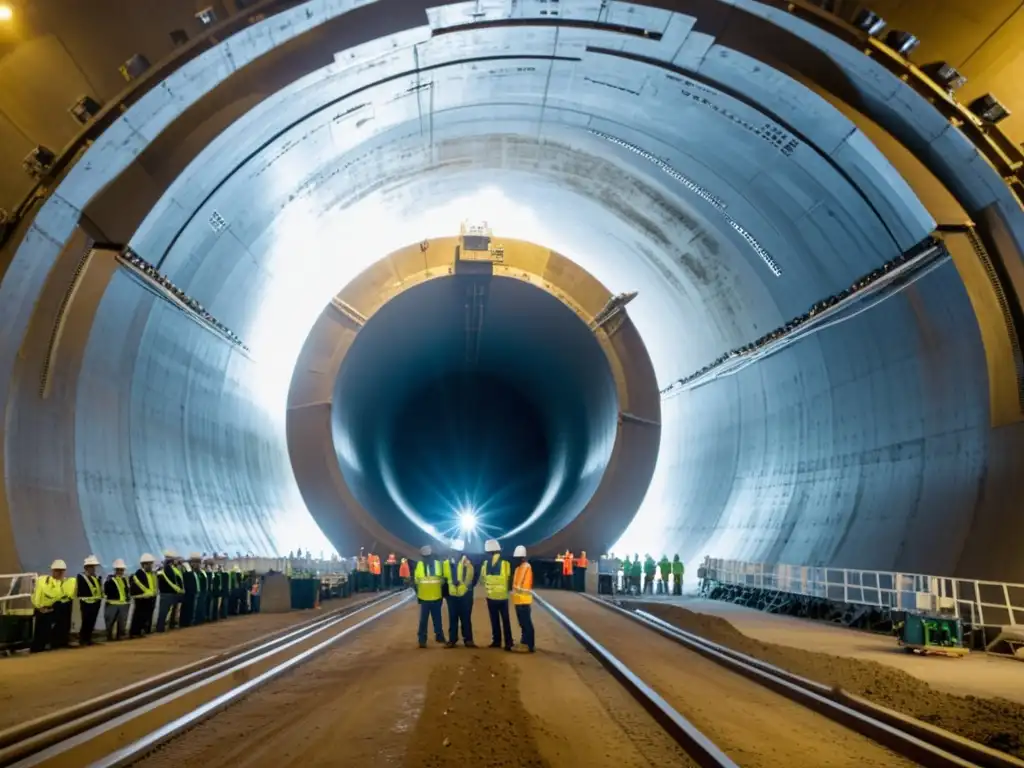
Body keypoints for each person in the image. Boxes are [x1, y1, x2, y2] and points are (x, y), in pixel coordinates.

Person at [480, 539, 513, 651]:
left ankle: (496, 641)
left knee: (494, 621)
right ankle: (508, 643)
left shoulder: (485, 564)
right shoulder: (505, 563)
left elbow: (483, 579)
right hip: (503, 597)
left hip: (491, 597)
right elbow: (508, 577)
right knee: (506, 621)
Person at [30, 560, 68, 653]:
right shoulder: (43, 580)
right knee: (40, 631)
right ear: (53, 571)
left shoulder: (62, 582)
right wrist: (39, 607)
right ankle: (37, 649)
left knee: (48, 629)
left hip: (51, 609)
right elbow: (37, 594)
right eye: (57, 571)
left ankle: (47, 646)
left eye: (61, 571)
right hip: (42, 609)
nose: (60, 573)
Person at [442, 541, 475, 648]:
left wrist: (464, 587)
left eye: (455, 551)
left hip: (464, 594)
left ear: (460, 552)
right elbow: (445, 577)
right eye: (453, 550)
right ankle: (452, 639)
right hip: (452, 595)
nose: (454, 553)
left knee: (465, 618)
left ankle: (468, 640)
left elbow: (470, 576)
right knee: (453, 618)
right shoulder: (447, 563)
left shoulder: (466, 562)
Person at [414, 545, 445, 648]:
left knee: (423, 620)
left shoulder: (419, 565)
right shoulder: (438, 564)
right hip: (436, 595)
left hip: (424, 597)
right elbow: (442, 579)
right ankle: (439, 637)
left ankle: (422, 640)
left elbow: (416, 581)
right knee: (437, 618)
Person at [511, 546, 535, 653]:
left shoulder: (526, 567)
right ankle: (523, 642)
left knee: (526, 624)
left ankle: (529, 645)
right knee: (522, 624)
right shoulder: (518, 568)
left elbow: (522, 585)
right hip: (518, 600)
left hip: (524, 601)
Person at [76, 555, 103, 646]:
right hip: (86, 602)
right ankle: (83, 639)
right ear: (86, 567)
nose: (93, 568)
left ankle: (88, 638)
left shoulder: (96, 577)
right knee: (86, 621)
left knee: (92, 621)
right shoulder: (81, 576)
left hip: (95, 602)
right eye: (91, 566)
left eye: (94, 567)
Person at [130, 553, 158, 637]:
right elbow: (139, 585)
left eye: (151, 564)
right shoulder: (139, 574)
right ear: (143, 565)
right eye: (148, 564)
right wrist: (148, 593)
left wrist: (153, 593)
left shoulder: (151, 574)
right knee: (138, 615)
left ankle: (141, 630)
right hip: (141, 598)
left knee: (145, 616)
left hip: (149, 598)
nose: (150, 566)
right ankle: (134, 632)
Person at [156, 550, 185, 632]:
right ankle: (160, 627)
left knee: (167, 611)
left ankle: (165, 626)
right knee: (164, 611)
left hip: (171, 593)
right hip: (167, 593)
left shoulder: (170, 568)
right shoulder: (165, 568)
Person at [104, 559, 131, 641]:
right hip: (112, 604)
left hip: (123, 604)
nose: (121, 571)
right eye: (119, 570)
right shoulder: (109, 580)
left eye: (122, 570)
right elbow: (106, 591)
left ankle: (119, 637)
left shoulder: (125, 579)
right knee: (110, 622)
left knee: (122, 622)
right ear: (115, 570)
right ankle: (109, 637)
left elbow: (127, 590)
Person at [180, 553, 204, 627]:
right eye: (196, 562)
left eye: (198, 563)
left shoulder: (195, 573)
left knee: (192, 608)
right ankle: (185, 622)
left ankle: (190, 621)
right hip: (188, 593)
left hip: (194, 592)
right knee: (187, 608)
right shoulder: (187, 571)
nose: (198, 565)